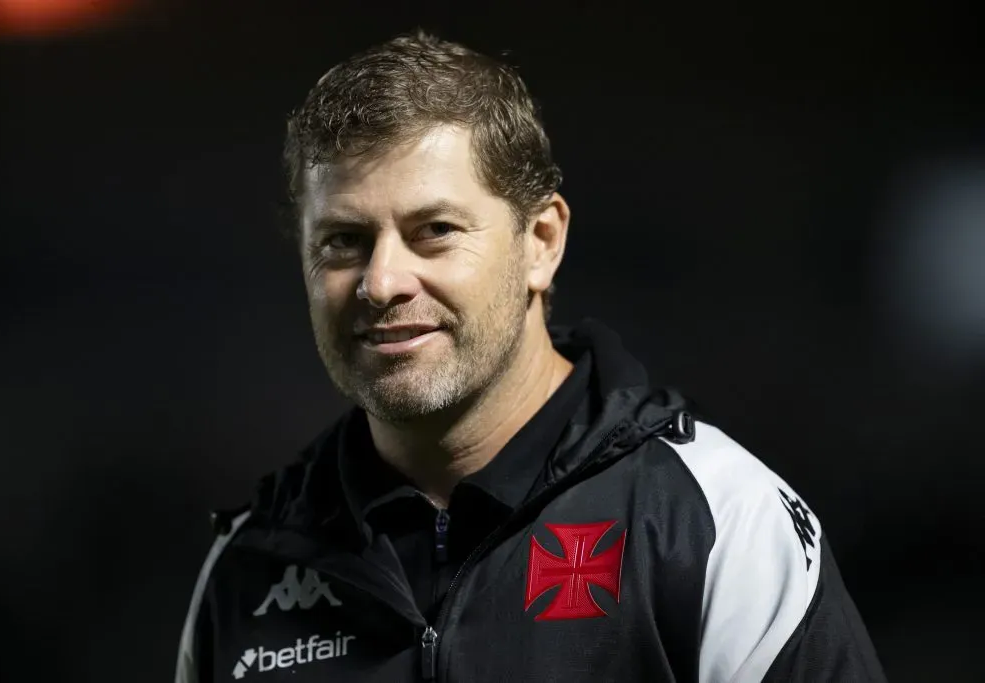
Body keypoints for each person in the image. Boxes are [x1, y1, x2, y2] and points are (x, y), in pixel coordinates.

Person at [174, 29, 888, 683]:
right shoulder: (248, 566)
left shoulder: (714, 522)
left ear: (541, 241)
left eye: (435, 230)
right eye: (342, 241)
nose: (382, 282)